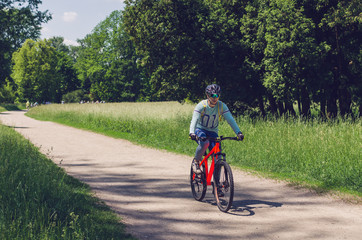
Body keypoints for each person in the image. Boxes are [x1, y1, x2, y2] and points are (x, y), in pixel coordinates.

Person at [189, 84, 244, 174]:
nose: (215, 98)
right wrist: (191, 133)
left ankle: (217, 183)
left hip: (213, 132)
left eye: (217, 95)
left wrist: (239, 132)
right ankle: (196, 162)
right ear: (207, 95)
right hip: (200, 130)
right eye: (213, 95)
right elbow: (194, 120)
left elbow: (230, 120)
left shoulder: (221, 106)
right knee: (205, 143)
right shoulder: (201, 105)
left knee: (218, 157)